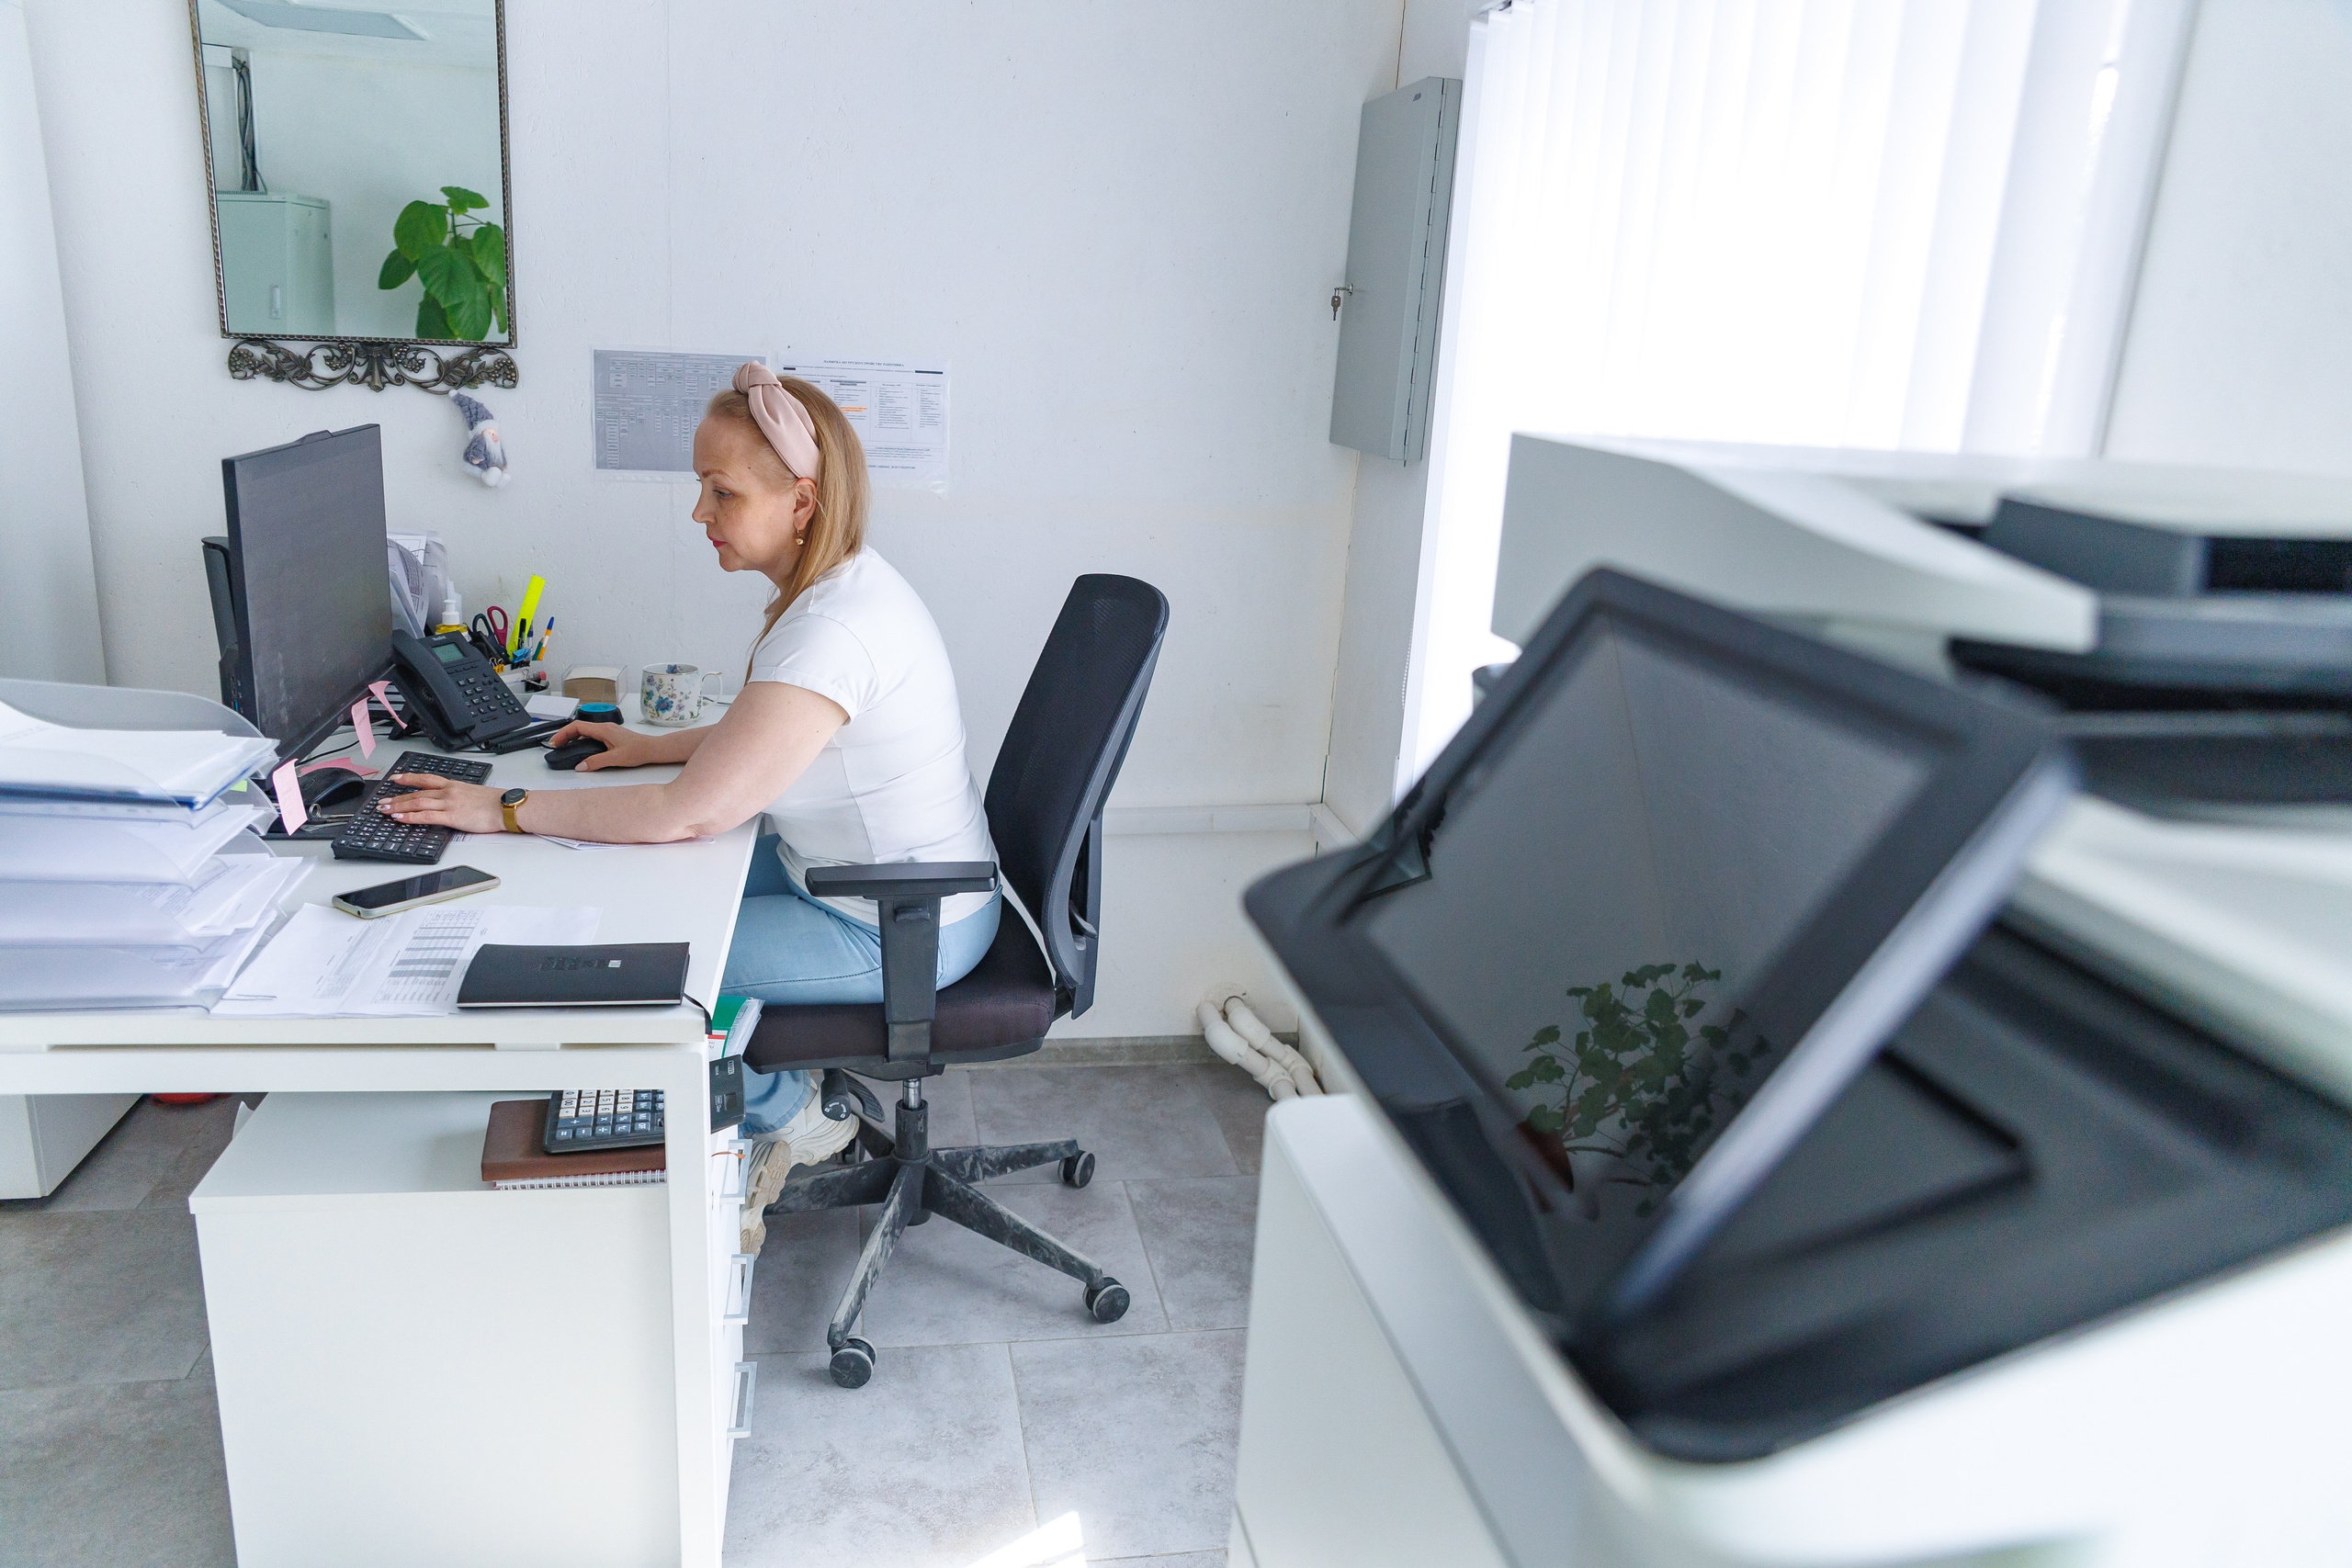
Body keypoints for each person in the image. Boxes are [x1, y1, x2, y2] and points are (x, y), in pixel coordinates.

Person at [376, 364, 1002, 1241]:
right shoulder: (838, 589)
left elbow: (688, 814)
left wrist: (503, 809)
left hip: (901, 924)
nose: (700, 513)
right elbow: (767, 735)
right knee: (643, 902)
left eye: (721, 492)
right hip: (869, 885)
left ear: (801, 501)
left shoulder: (833, 631)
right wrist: (652, 745)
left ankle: (789, 1115)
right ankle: (779, 1098)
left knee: (646, 970)